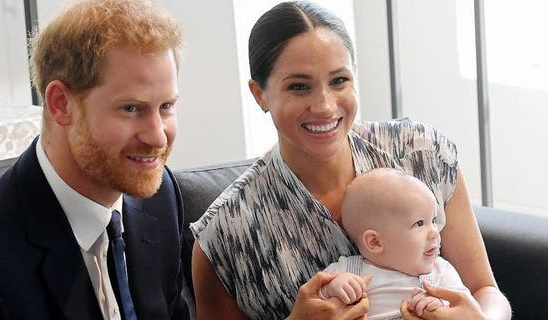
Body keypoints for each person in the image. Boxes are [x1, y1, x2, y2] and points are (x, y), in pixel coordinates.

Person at [191, 1, 511, 319]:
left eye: (339, 81)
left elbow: (484, 288)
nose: (326, 107)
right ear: (259, 94)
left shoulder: (422, 155)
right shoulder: (226, 235)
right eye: (299, 87)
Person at [0, 0, 189, 319]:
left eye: (166, 106)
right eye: (131, 108)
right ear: (60, 104)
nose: (157, 137)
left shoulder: (161, 196)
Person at [318, 168, 478, 319]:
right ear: (375, 242)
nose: (435, 232)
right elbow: (315, 305)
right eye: (419, 223)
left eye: (434, 221)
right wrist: (331, 289)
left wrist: (442, 305)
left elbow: (465, 308)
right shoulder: (347, 272)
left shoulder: (441, 272)